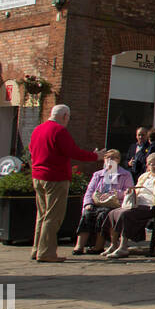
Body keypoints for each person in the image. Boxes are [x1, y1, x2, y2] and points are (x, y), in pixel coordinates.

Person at [28, 104, 104, 262]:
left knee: (42, 215)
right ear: (64, 116)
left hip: (38, 176)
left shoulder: (38, 129)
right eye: (68, 117)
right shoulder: (59, 131)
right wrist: (95, 156)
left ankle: (37, 249)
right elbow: (73, 152)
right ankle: (46, 253)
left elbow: (32, 150)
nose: (68, 121)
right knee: (53, 217)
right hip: (55, 177)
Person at [104, 151, 155, 258]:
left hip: (153, 207)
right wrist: (130, 192)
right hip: (137, 205)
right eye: (153, 164)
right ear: (148, 166)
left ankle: (123, 247)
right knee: (113, 212)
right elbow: (136, 190)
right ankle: (113, 245)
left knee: (125, 214)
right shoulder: (144, 176)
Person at [72, 150, 134, 256]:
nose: (109, 161)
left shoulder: (125, 174)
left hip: (115, 204)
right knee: (87, 213)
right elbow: (89, 191)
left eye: (113, 158)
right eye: (107, 158)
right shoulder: (98, 174)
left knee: (103, 214)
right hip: (98, 202)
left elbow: (129, 192)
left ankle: (99, 246)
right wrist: (88, 204)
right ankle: (79, 245)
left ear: (118, 160)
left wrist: (113, 194)